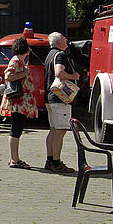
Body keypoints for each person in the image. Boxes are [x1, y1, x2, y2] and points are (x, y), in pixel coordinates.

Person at [0, 36, 37, 168]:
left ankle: (15, 158)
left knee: (18, 128)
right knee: (15, 129)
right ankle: (14, 159)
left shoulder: (19, 61)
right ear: (25, 49)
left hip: (21, 101)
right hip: (17, 101)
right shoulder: (16, 61)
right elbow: (8, 76)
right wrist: (25, 72)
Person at [44, 32, 79, 172]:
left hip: (50, 98)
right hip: (60, 98)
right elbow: (59, 73)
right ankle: (56, 163)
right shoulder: (60, 55)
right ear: (59, 42)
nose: (67, 40)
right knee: (60, 130)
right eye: (64, 38)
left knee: (53, 130)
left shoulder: (49, 55)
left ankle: (50, 160)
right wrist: (73, 76)